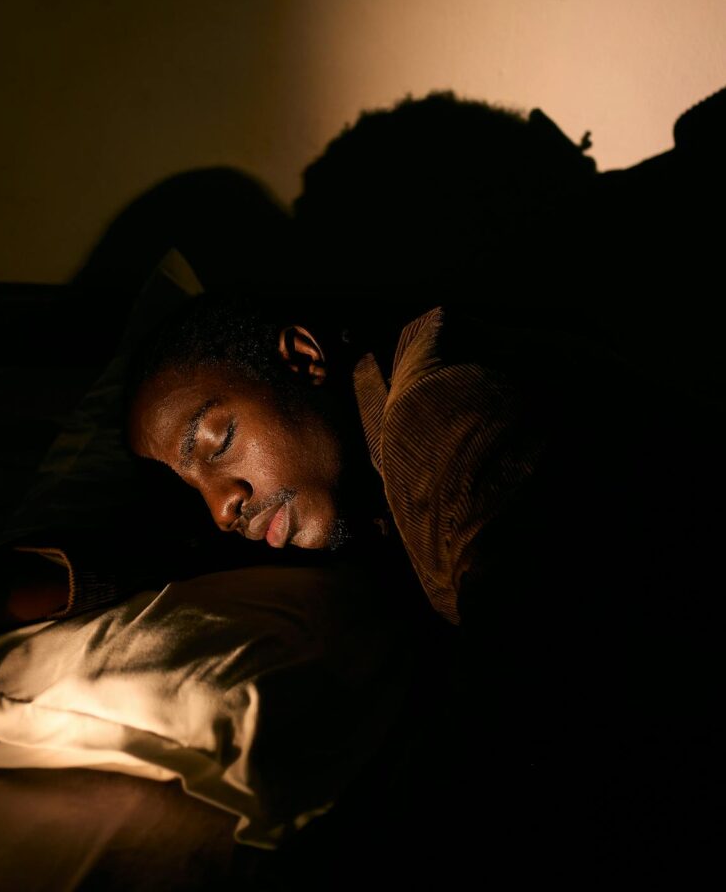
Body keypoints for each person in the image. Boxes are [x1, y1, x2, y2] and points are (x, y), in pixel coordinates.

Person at [125, 287, 725, 877]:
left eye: (218, 443)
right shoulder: (369, 464)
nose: (221, 509)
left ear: (304, 360)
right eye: (194, 492)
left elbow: (533, 697)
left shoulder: (432, 408)